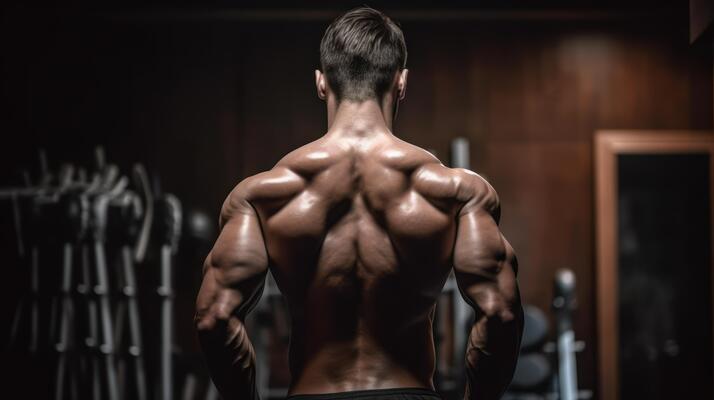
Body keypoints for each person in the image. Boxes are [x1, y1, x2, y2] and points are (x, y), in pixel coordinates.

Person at [194, 6, 523, 400]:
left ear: (320, 82)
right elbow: (501, 313)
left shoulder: (263, 195)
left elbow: (214, 317)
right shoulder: (456, 192)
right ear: (401, 83)